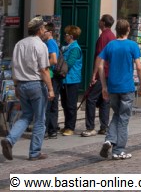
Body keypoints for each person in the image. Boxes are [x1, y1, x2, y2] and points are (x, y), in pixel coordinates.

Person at [2, 17, 54, 161]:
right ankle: (34, 152)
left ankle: (10, 139)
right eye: (44, 28)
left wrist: (16, 85)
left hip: (22, 84)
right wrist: (50, 89)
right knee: (39, 119)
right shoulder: (40, 45)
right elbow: (44, 70)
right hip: (36, 84)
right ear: (39, 30)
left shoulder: (19, 44)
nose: (45, 30)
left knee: (26, 115)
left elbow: (14, 67)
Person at [98, 19, 141, 160]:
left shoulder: (111, 45)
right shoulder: (132, 45)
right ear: (128, 30)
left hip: (113, 86)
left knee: (117, 114)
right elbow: (139, 67)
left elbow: (100, 66)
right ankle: (119, 150)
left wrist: (104, 86)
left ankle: (109, 140)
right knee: (124, 118)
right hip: (127, 87)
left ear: (116, 30)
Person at [82, 14, 115, 137]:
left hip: (102, 73)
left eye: (100, 20)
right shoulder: (112, 36)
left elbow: (99, 57)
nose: (98, 21)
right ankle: (104, 127)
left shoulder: (104, 37)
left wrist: (94, 74)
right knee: (104, 99)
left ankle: (90, 127)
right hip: (109, 73)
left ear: (103, 23)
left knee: (91, 98)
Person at [59, 25, 83, 136]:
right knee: (65, 103)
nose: (65, 36)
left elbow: (69, 63)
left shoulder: (75, 48)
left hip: (72, 80)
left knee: (71, 104)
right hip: (65, 79)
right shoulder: (66, 47)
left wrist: (59, 66)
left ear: (71, 36)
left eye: (66, 34)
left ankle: (70, 127)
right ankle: (66, 125)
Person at [41, 21, 60, 139]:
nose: (43, 33)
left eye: (45, 31)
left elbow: (54, 60)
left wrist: (42, 66)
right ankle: (52, 130)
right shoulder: (52, 42)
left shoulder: (50, 43)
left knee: (48, 104)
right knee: (53, 104)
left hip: (51, 75)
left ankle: (46, 130)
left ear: (50, 32)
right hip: (54, 77)